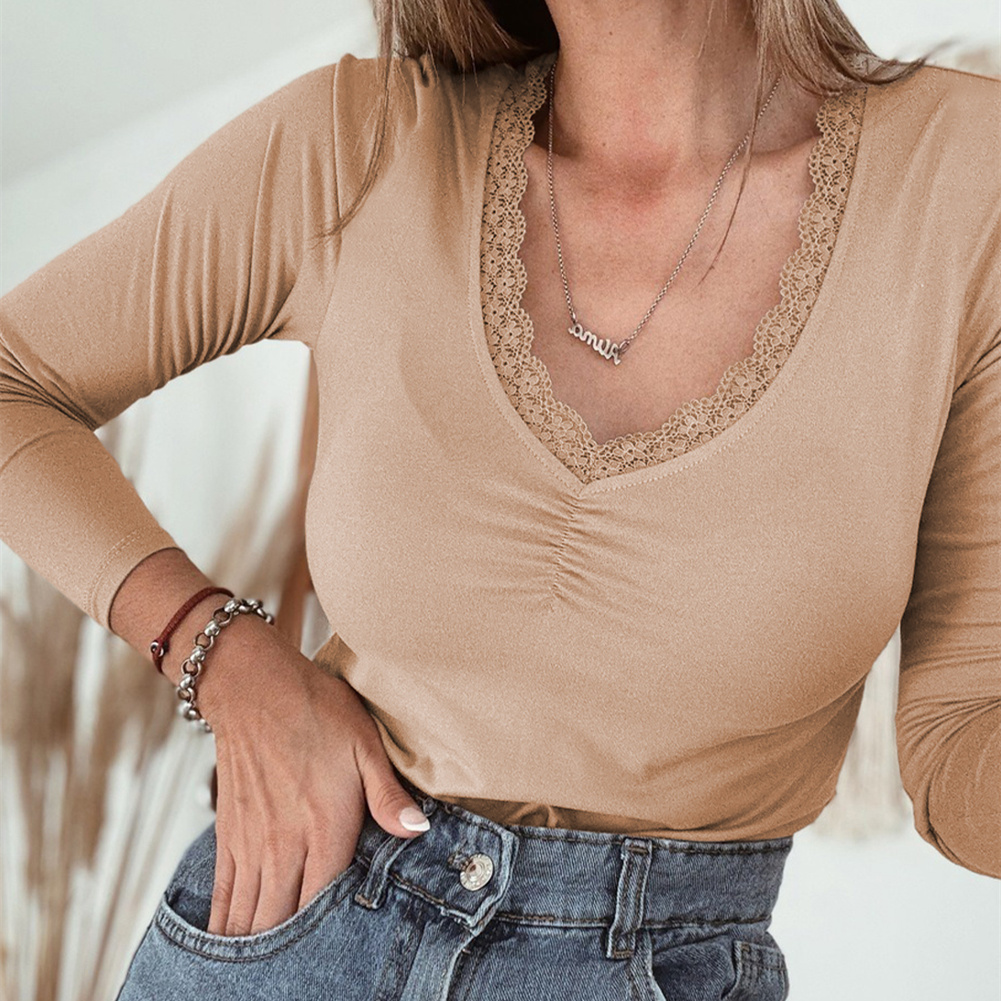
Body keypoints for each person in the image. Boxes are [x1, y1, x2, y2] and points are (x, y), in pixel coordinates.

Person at [1, 0, 998, 997]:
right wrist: (216, 649)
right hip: (295, 929)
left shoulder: (963, 180)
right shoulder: (361, 143)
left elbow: (960, 740)